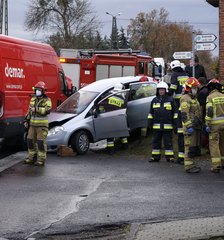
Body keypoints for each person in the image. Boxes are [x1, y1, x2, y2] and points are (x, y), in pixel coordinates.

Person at [148, 81, 178, 162]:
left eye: (162, 90)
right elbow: (151, 113)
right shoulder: (154, 100)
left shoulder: (171, 100)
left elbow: (175, 113)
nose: (161, 91)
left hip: (168, 126)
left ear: (166, 90)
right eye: (159, 90)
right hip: (156, 126)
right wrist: (149, 123)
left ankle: (170, 157)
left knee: (168, 142)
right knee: (155, 142)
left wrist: (175, 124)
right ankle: (155, 157)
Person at [24, 81, 52, 166]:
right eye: (36, 90)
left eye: (39, 90)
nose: (37, 91)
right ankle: (31, 157)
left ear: (43, 91)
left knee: (40, 143)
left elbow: (47, 110)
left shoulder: (47, 100)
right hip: (32, 125)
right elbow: (29, 111)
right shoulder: (33, 99)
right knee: (29, 141)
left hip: (41, 126)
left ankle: (41, 160)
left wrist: (36, 109)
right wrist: (26, 120)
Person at [168, 60, 189, 164]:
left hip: (178, 102)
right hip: (187, 101)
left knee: (179, 129)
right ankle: (184, 156)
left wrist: (168, 94)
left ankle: (181, 157)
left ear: (172, 66)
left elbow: (173, 87)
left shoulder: (174, 74)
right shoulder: (186, 74)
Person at [180, 77, 202, 173]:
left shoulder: (193, 98)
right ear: (189, 88)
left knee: (193, 147)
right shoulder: (185, 98)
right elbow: (184, 115)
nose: (196, 90)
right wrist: (189, 126)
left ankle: (192, 164)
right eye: (194, 88)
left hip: (195, 126)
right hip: (189, 128)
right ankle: (188, 166)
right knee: (188, 147)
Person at [205, 79, 224, 173]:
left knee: (214, 144)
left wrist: (207, 123)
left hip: (215, 125)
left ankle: (216, 166)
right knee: (223, 143)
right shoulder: (223, 96)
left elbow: (210, 111)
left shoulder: (210, 97)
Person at [103, 83, 128, 154]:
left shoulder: (108, 95)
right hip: (119, 116)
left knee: (110, 134)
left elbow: (103, 104)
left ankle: (110, 150)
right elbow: (125, 107)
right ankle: (125, 147)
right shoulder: (122, 97)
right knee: (122, 132)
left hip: (109, 116)